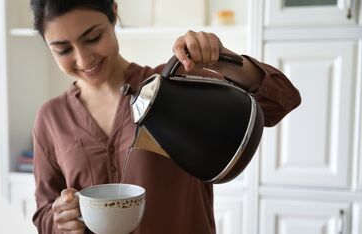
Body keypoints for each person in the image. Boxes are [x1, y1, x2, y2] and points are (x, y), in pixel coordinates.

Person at [30, 0, 301, 233]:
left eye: (92, 38)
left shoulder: (177, 85)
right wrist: (60, 219)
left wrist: (220, 59)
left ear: (113, 13)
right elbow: (44, 213)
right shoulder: (50, 118)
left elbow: (281, 101)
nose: (83, 58)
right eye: (63, 49)